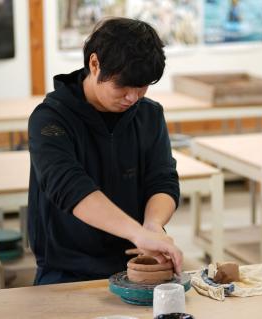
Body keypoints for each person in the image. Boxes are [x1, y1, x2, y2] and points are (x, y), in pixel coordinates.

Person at [27, 17, 183, 284]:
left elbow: (163, 179)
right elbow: (69, 186)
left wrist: (152, 225)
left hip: (135, 263)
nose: (133, 97)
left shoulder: (149, 115)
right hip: (67, 270)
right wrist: (137, 233)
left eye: (142, 86)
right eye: (122, 86)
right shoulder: (50, 119)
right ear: (94, 64)